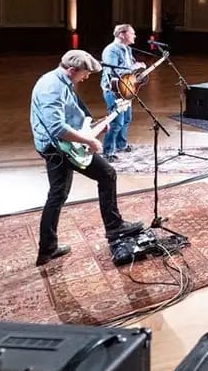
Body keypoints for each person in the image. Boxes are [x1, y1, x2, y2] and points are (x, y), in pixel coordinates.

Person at [30, 50, 143, 266]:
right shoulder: (51, 87)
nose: (86, 77)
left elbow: (69, 120)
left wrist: (93, 128)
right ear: (72, 70)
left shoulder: (60, 82)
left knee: (58, 194)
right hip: (57, 148)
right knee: (106, 174)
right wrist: (90, 142)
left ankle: (47, 249)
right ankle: (114, 226)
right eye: (85, 73)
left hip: (59, 146)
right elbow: (57, 128)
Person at [100, 24, 144, 159]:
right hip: (114, 90)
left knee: (126, 119)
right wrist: (133, 67)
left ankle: (121, 145)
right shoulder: (111, 50)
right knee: (116, 122)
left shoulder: (127, 49)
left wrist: (138, 71)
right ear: (122, 34)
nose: (134, 36)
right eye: (132, 33)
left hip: (126, 88)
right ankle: (108, 151)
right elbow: (112, 70)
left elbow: (129, 69)